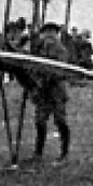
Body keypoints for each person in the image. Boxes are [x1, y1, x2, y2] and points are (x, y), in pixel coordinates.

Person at [31, 22, 71, 163]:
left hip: (57, 91)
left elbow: (61, 69)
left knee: (60, 121)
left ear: (56, 34)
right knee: (40, 121)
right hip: (42, 91)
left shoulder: (61, 50)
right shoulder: (38, 49)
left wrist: (47, 75)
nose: (49, 35)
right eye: (46, 32)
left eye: (52, 32)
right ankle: (38, 153)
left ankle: (64, 153)